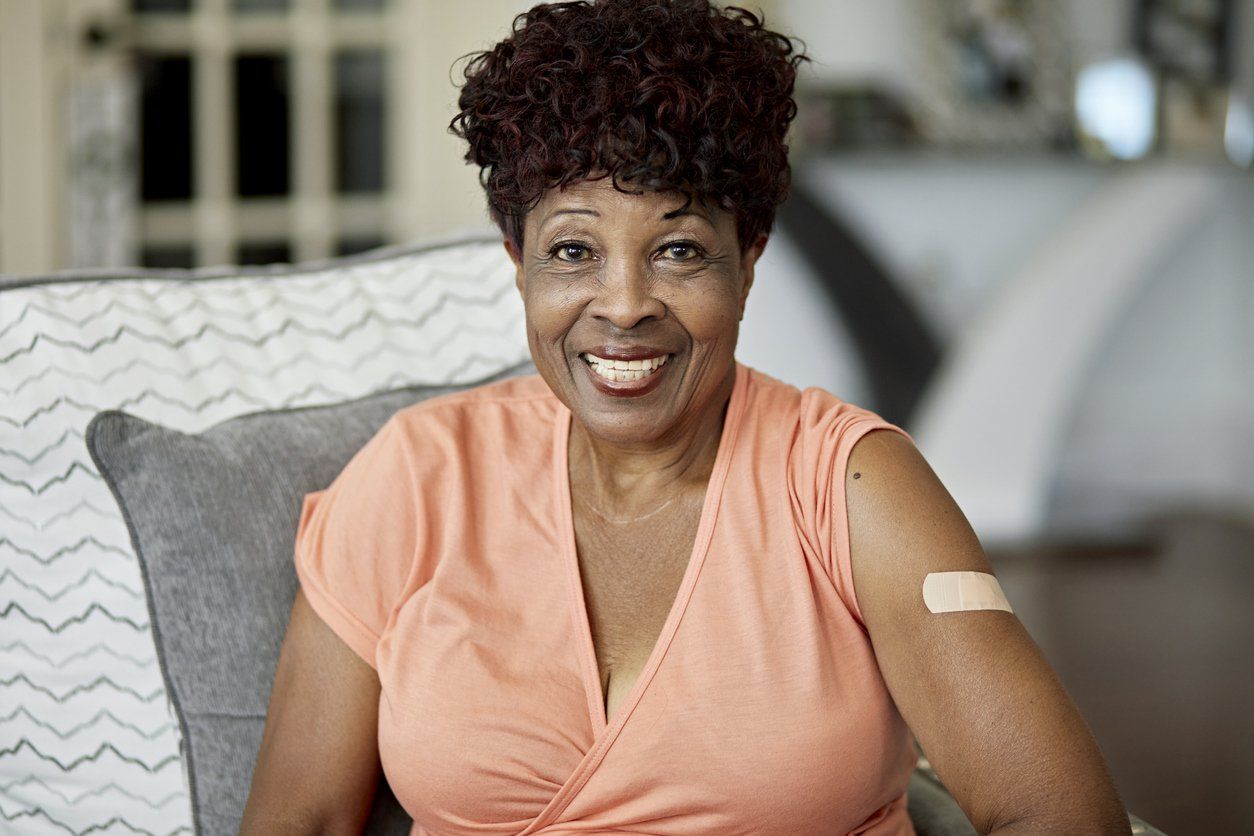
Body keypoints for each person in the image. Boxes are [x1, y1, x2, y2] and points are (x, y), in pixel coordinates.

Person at [241, 1, 1131, 833]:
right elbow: (299, 821)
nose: (624, 305)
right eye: (573, 250)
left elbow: (1056, 814)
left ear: (749, 259)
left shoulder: (853, 488)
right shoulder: (416, 476)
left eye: (678, 250)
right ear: (518, 262)